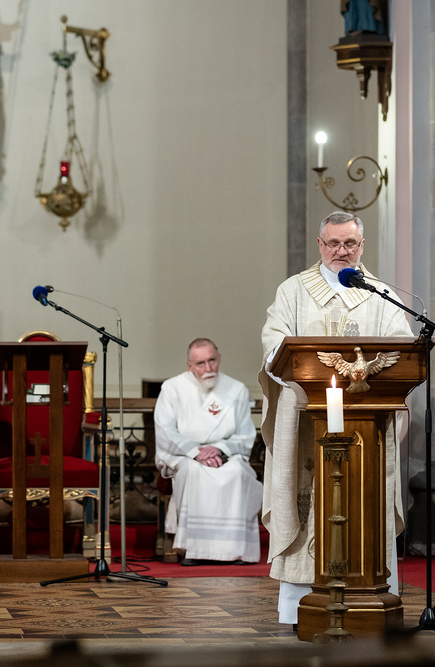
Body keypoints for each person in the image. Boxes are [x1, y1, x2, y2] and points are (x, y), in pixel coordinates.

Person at [258, 211, 413, 625]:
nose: (341, 251)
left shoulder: (380, 294)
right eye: (333, 243)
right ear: (320, 244)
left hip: (366, 422)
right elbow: (273, 342)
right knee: (305, 501)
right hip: (305, 421)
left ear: (362, 246)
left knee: (365, 497)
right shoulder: (293, 291)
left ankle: (371, 594)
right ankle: (299, 603)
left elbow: (403, 348)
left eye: (350, 244)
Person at [154, 338, 263, 565]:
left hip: (225, 455)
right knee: (192, 471)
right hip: (185, 454)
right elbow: (165, 431)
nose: (208, 368)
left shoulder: (236, 390)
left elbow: (245, 435)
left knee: (237, 472)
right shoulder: (172, 388)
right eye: (200, 363)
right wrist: (195, 452)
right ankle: (194, 550)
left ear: (219, 358)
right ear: (189, 366)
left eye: (212, 360)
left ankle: (235, 550)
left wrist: (219, 450)